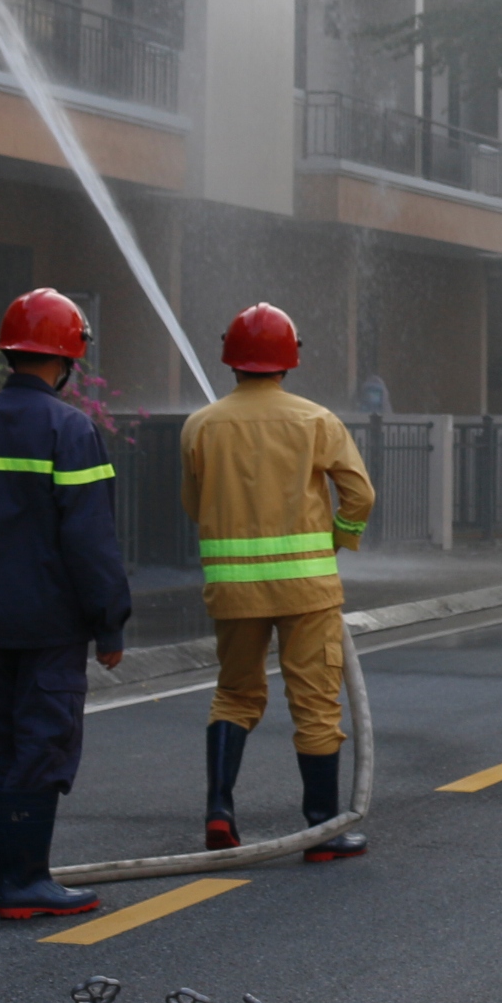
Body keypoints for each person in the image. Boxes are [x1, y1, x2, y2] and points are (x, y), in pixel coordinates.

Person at [0, 287, 131, 921]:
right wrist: (110, 623)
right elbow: (91, 539)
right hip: (50, 623)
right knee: (42, 740)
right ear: (68, 357)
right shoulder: (72, 429)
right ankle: (26, 881)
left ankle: (5, 877)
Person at [182, 302, 373, 862]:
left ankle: (220, 810)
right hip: (306, 590)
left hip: (233, 591)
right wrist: (336, 538)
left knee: (234, 695)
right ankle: (322, 829)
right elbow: (360, 495)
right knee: (315, 707)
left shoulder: (200, 425)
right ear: (289, 360)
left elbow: (195, 506)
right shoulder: (316, 421)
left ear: (230, 360)